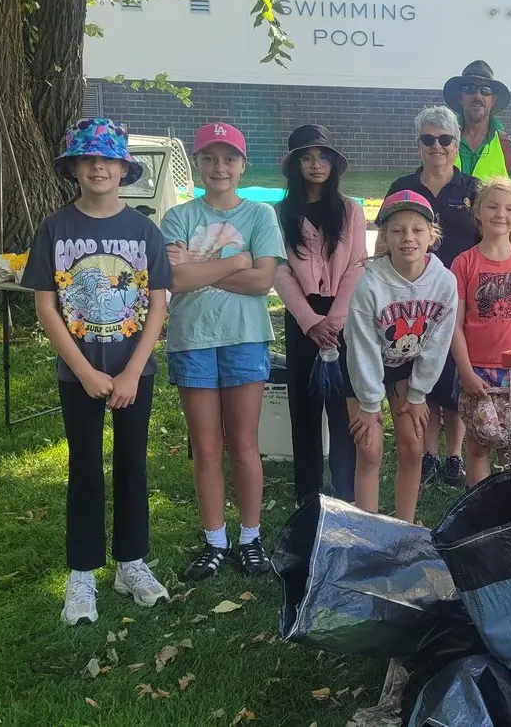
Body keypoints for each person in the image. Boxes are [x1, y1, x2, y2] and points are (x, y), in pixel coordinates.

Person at [22, 117, 172, 625]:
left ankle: (132, 563)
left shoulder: (142, 230)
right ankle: (82, 573)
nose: (98, 167)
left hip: (135, 373)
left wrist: (132, 372)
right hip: (78, 374)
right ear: (75, 168)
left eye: (107, 159)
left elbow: (157, 305)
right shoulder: (56, 228)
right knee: (84, 469)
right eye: (88, 159)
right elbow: (46, 307)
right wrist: (84, 370)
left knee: (133, 466)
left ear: (123, 168)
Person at [160, 122, 286, 581]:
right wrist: (236, 260)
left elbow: (263, 281)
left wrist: (201, 265)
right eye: (210, 158)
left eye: (229, 158)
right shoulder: (178, 217)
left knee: (246, 445)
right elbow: (174, 280)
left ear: (242, 164)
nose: (220, 167)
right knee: (207, 447)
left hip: (245, 338)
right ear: (197, 163)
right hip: (192, 340)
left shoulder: (259, 216)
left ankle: (250, 537)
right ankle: (215, 539)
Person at [344, 190, 458, 523]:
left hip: (406, 366)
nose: (407, 237)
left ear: (431, 235)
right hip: (363, 365)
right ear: (385, 237)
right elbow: (361, 346)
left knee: (412, 445)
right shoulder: (369, 284)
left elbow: (437, 343)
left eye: (417, 229)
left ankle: (403, 531)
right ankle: (368, 532)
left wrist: (420, 393)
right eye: (397, 230)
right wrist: (369, 403)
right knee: (369, 449)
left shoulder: (444, 283)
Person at [384, 107, 479, 488]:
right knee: (420, 369)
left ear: (457, 143)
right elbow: (385, 239)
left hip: (459, 295)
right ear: (418, 143)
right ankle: (428, 453)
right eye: (428, 139)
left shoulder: (473, 189)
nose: (436, 146)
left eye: (444, 139)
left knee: (454, 375)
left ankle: (454, 455)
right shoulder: (402, 186)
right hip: (412, 298)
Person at [273, 124, 367, 505]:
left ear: (334, 164)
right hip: (303, 319)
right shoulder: (280, 213)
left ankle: (345, 488)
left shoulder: (349, 210)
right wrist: (311, 321)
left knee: (343, 405)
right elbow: (278, 269)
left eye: (323, 156)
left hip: (342, 318)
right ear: (295, 165)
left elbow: (358, 265)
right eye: (307, 158)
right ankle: (307, 491)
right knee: (304, 406)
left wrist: (336, 319)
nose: (315, 165)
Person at [450, 177, 511, 485]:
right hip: (476, 371)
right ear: (478, 211)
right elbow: (454, 323)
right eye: (492, 206)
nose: (500, 214)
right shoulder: (464, 263)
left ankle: (510, 509)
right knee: (479, 444)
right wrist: (465, 371)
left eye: (509, 208)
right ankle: (478, 509)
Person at [443, 60, 511, 249]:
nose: (477, 95)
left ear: (493, 100)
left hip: (494, 260)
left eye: (485, 90)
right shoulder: (441, 144)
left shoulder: (510, 150)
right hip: (446, 260)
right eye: (470, 88)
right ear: (460, 96)